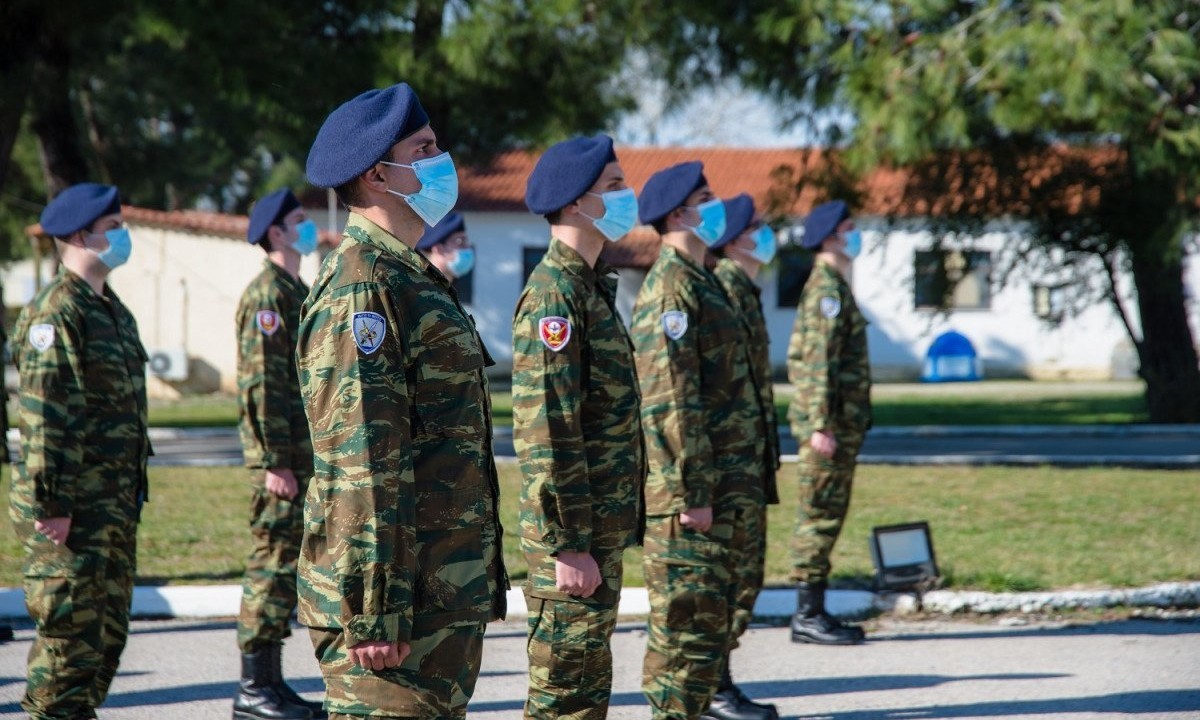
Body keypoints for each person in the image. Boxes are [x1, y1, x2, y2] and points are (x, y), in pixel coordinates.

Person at [296, 82, 508, 720]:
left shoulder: (407, 275)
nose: (443, 160)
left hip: (435, 592)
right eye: (426, 148)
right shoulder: (363, 289)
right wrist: (374, 608)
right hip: (395, 610)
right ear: (379, 174)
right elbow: (363, 464)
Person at [630, 162, 773, 720]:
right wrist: (691, 493)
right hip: (696, 494)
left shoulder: (701, 280)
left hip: (726, 482)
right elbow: (671, 401)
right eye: (706, 199)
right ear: (679, 214)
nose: (718, 208)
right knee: (684, 642)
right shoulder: (671, 289)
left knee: (708, 627)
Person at [512, 134, 646, 719]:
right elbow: (548, 433)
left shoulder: (589, 288)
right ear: (574, 202)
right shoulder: (554, 297)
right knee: (563, 700)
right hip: (573, 543)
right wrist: (568, 544)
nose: (628, 196)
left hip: (598, 532)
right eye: (614, 187)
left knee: (587, 694)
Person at [9, 182, 151, 720]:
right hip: (70, 510)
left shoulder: (110, 308)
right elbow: (46, 419)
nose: (122, 236)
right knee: (69, 642)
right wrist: (53, 504)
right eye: (113, 226)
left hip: (110, 505)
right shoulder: (56, 313)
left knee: (104, 639)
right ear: (77, 235)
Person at [232, 188, 324, 720]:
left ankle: (271, 681)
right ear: (276, 234)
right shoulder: (269, 296)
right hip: (283, 464)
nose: (309, 227)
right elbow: (261, 385)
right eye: (299, 220)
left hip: (301, 457)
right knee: (271, 565)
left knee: (287, 566)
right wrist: (275, 462)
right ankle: (252, 688)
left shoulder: (294, 289)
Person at [705, 193, 781, 719]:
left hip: (747, 455)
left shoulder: (744, 290)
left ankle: (719, 678)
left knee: (745, 576)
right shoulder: (727, 287)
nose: (767, 233)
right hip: (730, 461)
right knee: (730, 576)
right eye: (757, 227)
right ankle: (714, 684)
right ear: (733, 240)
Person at [786, 199, 872, 645]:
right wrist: (820, 424)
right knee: (817, 517)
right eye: (851, 228)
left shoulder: (834, 285)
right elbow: (817, 361)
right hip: (829, 428)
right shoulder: (827, 292)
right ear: (831, 236)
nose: (857, 235)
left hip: (840, 424)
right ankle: (807, 615)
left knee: (826, 515)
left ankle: (812, 611)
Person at [415, 211, 475, 281]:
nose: (467, 248)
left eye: (466, 241)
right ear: (439, 249)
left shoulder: (448, 290)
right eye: (460, 242)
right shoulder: (417, 287)